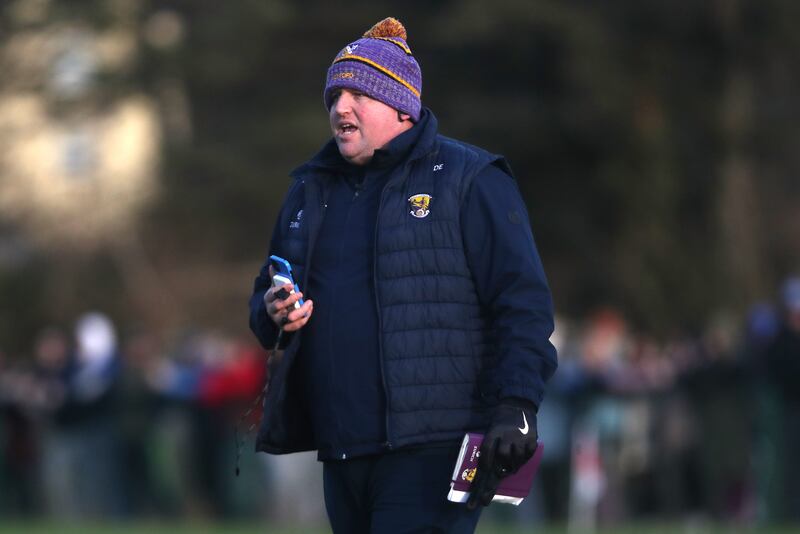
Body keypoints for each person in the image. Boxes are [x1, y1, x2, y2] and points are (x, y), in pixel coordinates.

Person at [249, 17, 557, 533]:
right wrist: (271, 308)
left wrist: (517, 404)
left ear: (401, 105)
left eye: (356, 94)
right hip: (341, 448)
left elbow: (521, 304)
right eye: (333, 96)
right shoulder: (309, 190)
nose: (339, 108)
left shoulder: (471, 179)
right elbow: (266, 295)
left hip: (434, 448)